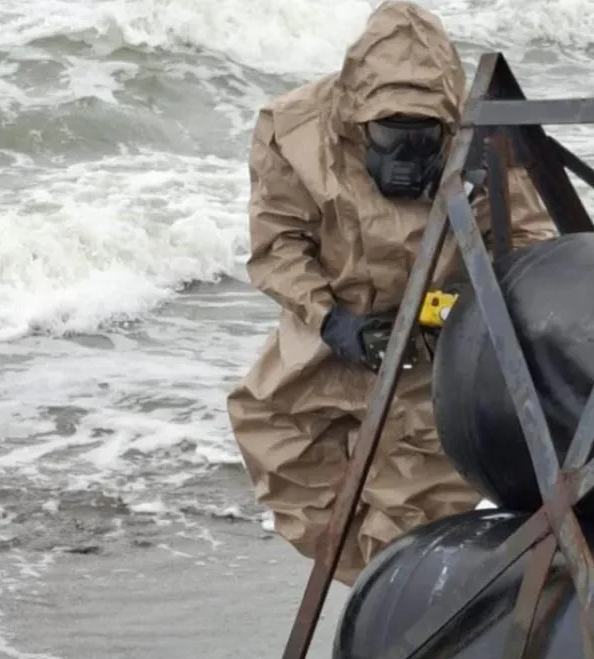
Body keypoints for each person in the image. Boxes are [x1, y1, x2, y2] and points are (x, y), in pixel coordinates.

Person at [226, 0, 557, 587]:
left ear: (446, 123)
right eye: (388, 136)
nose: (403, 156)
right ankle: (373, 591)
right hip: (333, 332)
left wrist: (467, 303)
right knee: (284, 455)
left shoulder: (482, 139)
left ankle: (389, 609)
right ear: (356, 118)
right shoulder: (296, 129)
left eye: (420, 138)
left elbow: (530, 245)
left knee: (411, 505)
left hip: (435, 349)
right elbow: (277, 245)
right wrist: (332, 322)